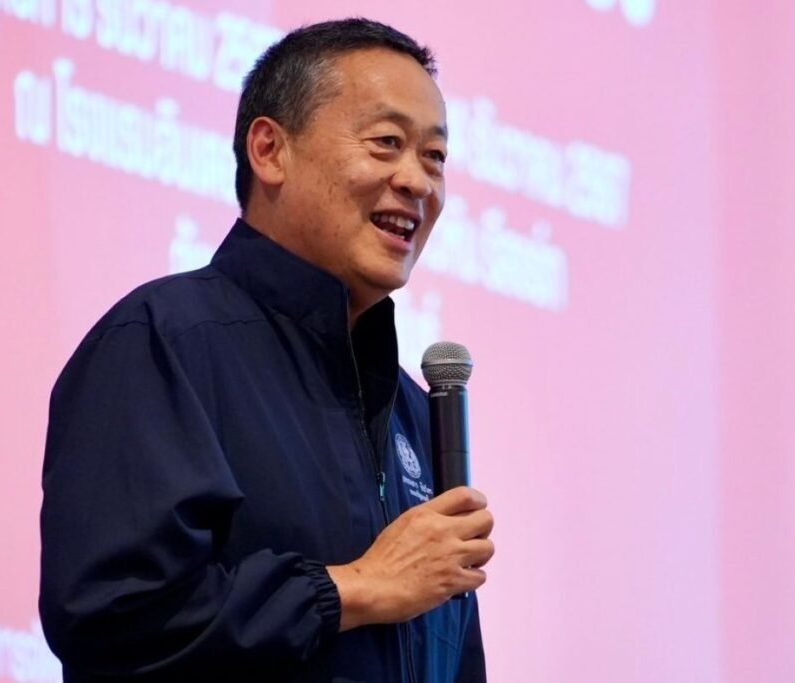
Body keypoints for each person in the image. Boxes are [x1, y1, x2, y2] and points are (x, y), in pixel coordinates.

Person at [39, 18, 494, 682]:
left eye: (434, 157)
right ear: (270, 150)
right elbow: (110, 618)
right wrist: (354, 588)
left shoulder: (415, 412)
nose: (418, 182)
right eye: (387, 143)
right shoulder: (165, 342)